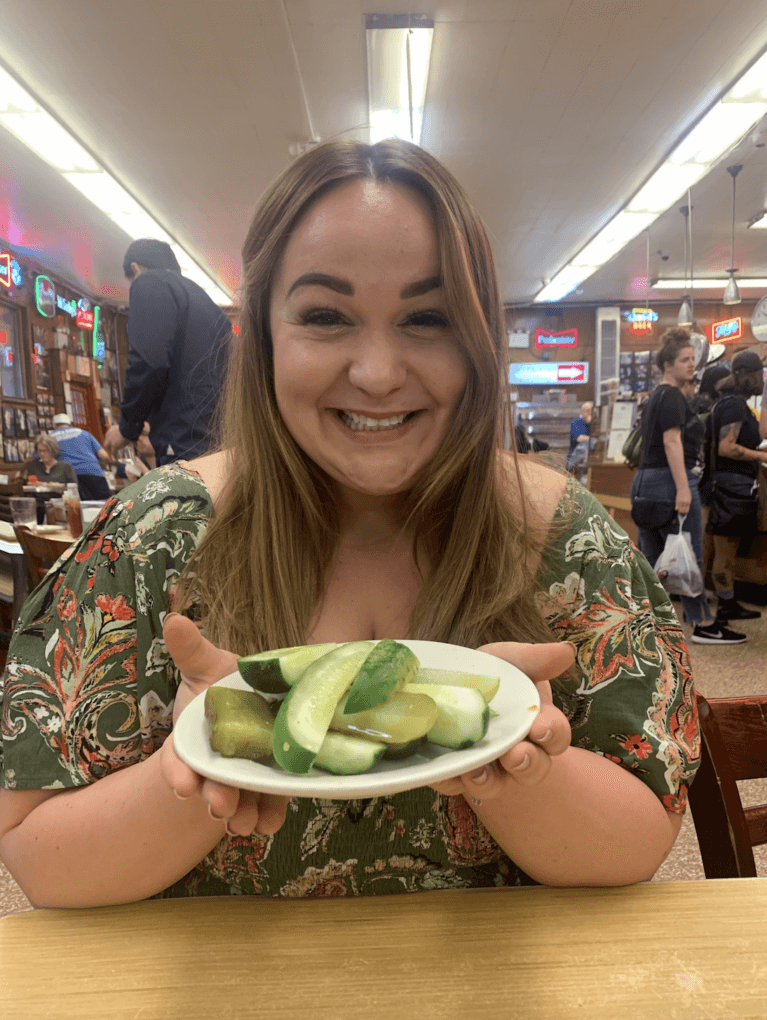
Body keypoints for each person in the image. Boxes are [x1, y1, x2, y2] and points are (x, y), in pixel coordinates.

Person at [0, 139, 698, 908]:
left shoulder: (566, 539)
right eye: (326, 316)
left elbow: (644, 836)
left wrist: (516, 765)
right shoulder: (151, 538)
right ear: (264, 340)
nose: (376, 373)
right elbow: (38, 855)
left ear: (477, 345)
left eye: (426, 318)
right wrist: (203, 768)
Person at [629, 328, 744, 645]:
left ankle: (642, 620)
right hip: (670, 480)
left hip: (646, 482)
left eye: (693, 359)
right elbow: (672, 442)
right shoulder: (674, 397)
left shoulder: (656, 396)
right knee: (688, 554)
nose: (691, 365)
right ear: (668, 364)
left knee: (653, 558)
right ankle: (702, 623)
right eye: (684, 360)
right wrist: (682, 488)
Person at [103, 239, 232, 466]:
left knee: (183, 498)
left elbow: (149, 360)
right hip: (217, 431)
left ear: (135, 268)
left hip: (183, 432)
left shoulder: (148, 282)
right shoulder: (203, 300)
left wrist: (127, 427)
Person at [704, 349, 766, 623]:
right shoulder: (734, 405)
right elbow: (727, 447)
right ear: (741, 374)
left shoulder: (731, 403)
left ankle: (728, 602)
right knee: (725, 552)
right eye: (757, 375)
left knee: (724, 552)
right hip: (730, 490)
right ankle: (726, 606)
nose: (761, 382)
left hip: (730, 488)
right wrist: (762, 455)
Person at [49, 413, 112, 502]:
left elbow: (37, 457)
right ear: (70, 424)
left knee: (77, 510)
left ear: (54, 425)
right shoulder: (85, 433)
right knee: (105, 508)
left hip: (70, 478)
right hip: (94, 473)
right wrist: (103, 467)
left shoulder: (50, 438)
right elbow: (104, 456)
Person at [23, 434, 78, 524]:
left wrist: (48, 485)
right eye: (39, 451)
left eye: (45, 451)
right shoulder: (33, 467)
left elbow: (73, 488)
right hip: (38, 506)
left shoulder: (65, 467)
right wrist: (31, 484)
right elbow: (29, 488)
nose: (42, 454)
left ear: (53, 450)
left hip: (59, 504)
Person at [566, 401, 593, 471]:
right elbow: (579, 438)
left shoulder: (594, 424)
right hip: (575, 460)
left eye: (592, 411)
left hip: (589, 460)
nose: (590, 413)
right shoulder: (575, 423)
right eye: (587, 411)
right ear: (582, 412)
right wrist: (592, 439)